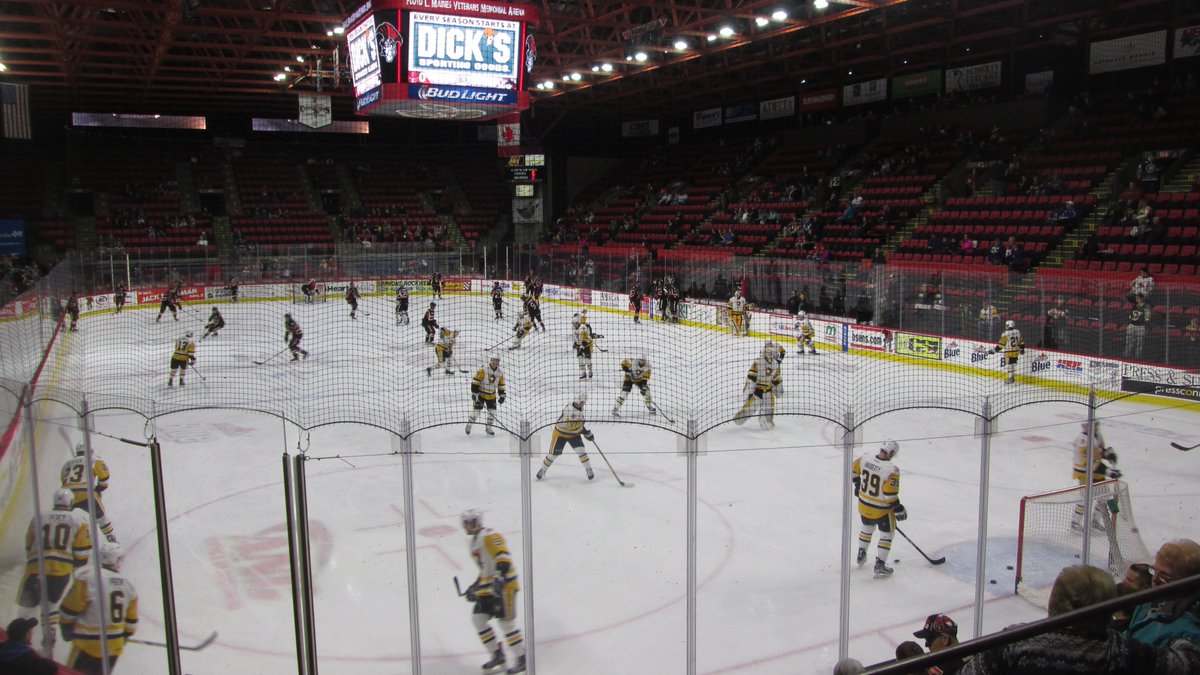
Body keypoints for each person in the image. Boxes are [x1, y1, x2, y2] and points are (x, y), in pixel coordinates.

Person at [963, 564, 1200, 674]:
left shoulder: (1014, 642)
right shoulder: (1122, 652)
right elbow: (1188, 664)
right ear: (1108, 610)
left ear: (1054, 602)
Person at [16, 489, 92, 636]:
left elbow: (28, 543)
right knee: (51, 605)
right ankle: (49, 634)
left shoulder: (39, 517)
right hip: (61, 570)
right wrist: (76, 565)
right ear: (70, 502)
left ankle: (19, 635)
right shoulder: (78, 520)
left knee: (27, 606)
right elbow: (82, 549)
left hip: (36, 567)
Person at [460, 510, 526, 674]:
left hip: (505, 586)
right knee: (478, 620)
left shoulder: (489, 535)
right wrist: (474, 587)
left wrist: (499, 577)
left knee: (505, 623)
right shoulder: (474, 542)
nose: (469, 525)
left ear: (479, 521)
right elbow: (485, 569)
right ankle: (497, 655)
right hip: (488, 587)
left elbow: (503, 556)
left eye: (472, 521)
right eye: (467, 522)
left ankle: (522, 658)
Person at [60, 541, 139, 675]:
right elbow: (131, 623)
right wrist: (122, 637)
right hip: (113, 647)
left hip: (87, 644)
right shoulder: (128, 585)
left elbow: (69, 609)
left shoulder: (87, 578)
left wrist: (66, 626)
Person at [1125, 539, 1200, 648]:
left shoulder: (1187, 633)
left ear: (1186, 580)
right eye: (1154, 571)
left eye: (1164, 575)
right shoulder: (1147, 602)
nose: (1155, 579)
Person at [851, 440, 904, 577]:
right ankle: (880, 564)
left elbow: (853, 470)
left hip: (863, 506)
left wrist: (858, 485)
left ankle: (861, 553)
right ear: (891, 453)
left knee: (867, 528)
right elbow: (889, 494)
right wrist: (898, 508)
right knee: (887, 534)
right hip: (881, 510)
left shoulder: (865, 458)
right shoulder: (891, 470)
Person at [1071, 421, 1121, 532]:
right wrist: (1108, 472)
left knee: (1105, 495)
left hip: (1096, 470)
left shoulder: (1097, 435)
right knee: (1085, 498)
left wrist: (1107, 454)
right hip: (1084, 472)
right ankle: (1075, 523)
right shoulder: (1083, 440)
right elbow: (1089, 462)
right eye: (1094, 424)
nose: (1097, 426)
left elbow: (1098, 451)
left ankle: (1095, 521)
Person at [60, 445, 115, 542]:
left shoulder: (66, 464)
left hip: (67, 495)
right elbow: (104, 476)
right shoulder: (94, 459)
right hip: (85, 493)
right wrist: (100, 488)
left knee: (64, 521)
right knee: (101, 517)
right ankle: (111, 538)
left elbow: (63, 480)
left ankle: (62, 542)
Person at [536, 393, 595, 481]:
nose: (582, 404)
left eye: (583, 402)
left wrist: (586, 432)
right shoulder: (570, 411)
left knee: (581, 451)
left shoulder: (578, 407)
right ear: (577, 401)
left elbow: (579, 423)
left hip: (573, 434)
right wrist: (586, 432)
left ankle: (588, 469)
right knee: (553, 455)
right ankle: (543, 469)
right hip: (560, 434)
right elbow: (574, 426)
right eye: (581, 402)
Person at [733, 341, 783, 430]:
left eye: (772, 353)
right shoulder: (758, 362)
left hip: (768, 390)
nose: (771, 355)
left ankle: (766, 421)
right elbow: (751, 378)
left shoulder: (775, 364)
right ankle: (739, 419)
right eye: (768, 353)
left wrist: (778, 391)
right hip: (758, 391)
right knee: (751, 408)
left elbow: (777, 379)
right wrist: (750, 392)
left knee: (769, 408)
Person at [466, 356, 505, 436]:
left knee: (492, 413)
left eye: (498, 360)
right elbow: (475, 381)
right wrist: (474, 393)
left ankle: (488, 427)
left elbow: (501, 384)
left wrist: (502, 395)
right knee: (476, 413)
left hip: (492, 396)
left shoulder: (500, 372)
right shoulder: (483, 369)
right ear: (491, 360)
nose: (497, 362)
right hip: (481, 395)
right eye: (495, 360)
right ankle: (469, 425)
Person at [994, 319, 1024, 384]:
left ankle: (1011, 378)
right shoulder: (1017, 332)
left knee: (1009, 364)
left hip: (1009, 351)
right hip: (1016, 351)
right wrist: (1022, 349)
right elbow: (1021, 341)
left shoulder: (1005, 334)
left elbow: (1001, 344)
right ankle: (1012, 377)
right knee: (1012, 363)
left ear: (1008, 326)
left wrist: (995, 350)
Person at [1125, 294, 1151, 360]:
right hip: (1132, 325)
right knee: (1129, 342)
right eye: (1136, 298)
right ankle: (1127, 356)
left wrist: (1146, 326)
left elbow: (1147, 318)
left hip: (1140, 326)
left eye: (1138, 298)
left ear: (1142, 298)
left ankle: (1138, 357)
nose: (1136, 299)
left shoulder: (1146, 307)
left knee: (1139, 343)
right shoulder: (1134, 306)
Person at [572, 314, 596, 380]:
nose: (574, 325)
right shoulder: (573, 329)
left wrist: (583, 345)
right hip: (580, 345)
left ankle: (590, 372)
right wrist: (575, 344)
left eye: (576, 324)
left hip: (587, 345)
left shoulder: (583, 328)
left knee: (587, 360)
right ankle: (583, 373)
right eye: (573, 324)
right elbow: (575, 337)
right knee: (580, 359)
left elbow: (587, 339)